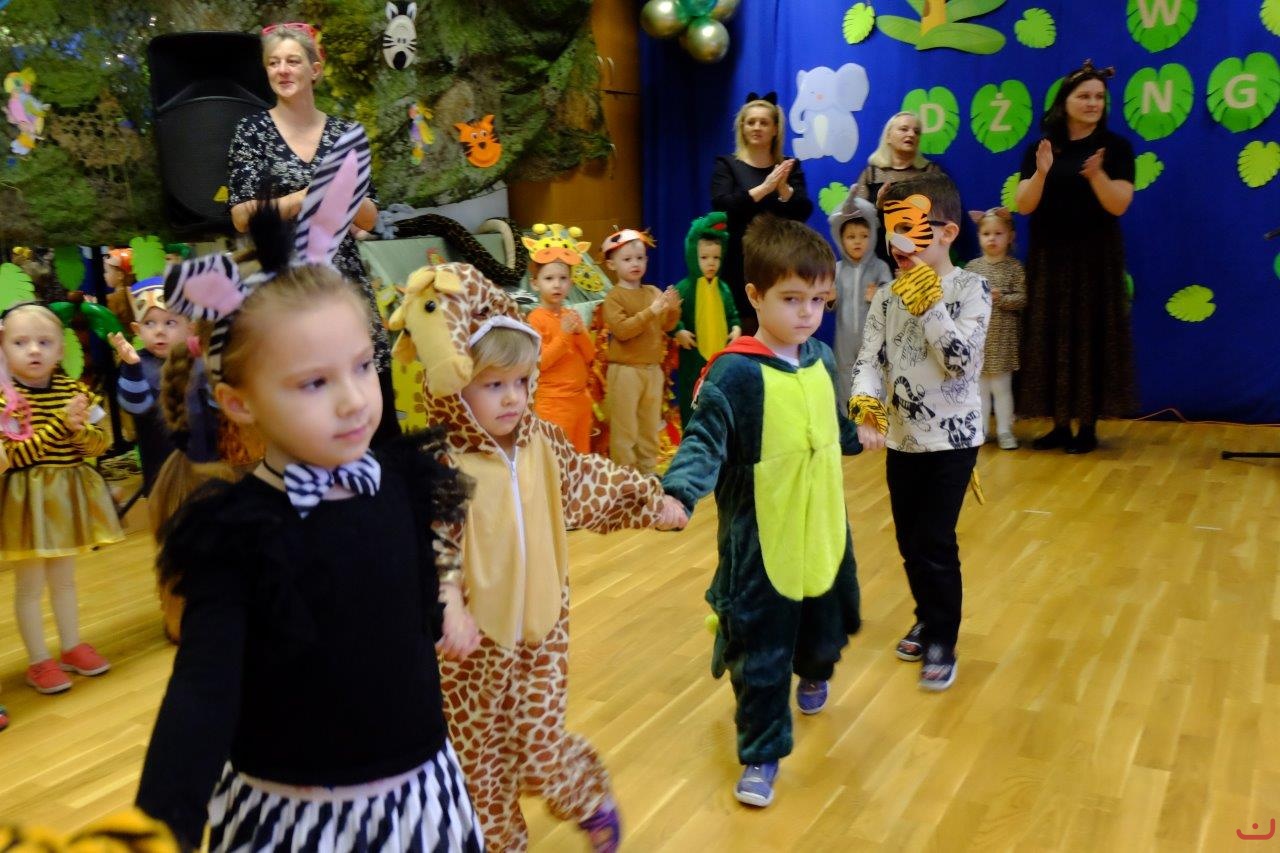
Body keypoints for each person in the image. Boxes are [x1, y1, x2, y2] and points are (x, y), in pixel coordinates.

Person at [135, 129, 483, 852]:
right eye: (314, 382)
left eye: (360, 366)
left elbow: (405, 576)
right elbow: (203, 689)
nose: (355, 399)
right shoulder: (238, 534)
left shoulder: (399, 479)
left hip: (419, 795)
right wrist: (156, 826)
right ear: (240, 403)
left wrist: (443, 601)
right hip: (292, 816)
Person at [426, 298, 687, 852]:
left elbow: (592, 483)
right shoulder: (441, 463)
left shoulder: (542, 443)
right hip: (471, 650)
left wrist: (651, 502)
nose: (512, 397)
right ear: (455, 387)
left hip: (544, 631)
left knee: (540, 748)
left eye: (521, 382)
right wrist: (447, 602)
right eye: (493, 385)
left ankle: (588, 798)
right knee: (479, 766)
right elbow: (432, 545)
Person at [662, 214, 862, 809]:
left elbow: (833, 423)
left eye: (817, 300)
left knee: (826, 625)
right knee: (762, 651)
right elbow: (703, 440)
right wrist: (679, 491)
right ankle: (761, 751)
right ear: (754, 296)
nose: (807, 314)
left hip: (823, 528)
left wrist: (861, 435)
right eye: (791, 299)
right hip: (761, 542)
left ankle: (817, 667)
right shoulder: (736, 372)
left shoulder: (820, 358)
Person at [848, 173, 990, 692]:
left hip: (953, 441)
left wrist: (929, 305)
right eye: (892, 229)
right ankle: (927, 615)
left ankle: (941, 638)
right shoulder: (886, 297)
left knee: (935, 540)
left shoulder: (972, 289)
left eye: (908, 228)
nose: (897, 241)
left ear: (947, 232)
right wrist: (866, 406)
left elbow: (960, 363)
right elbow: (870, 360)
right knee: (910, 541)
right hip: (904, 439)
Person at [226, 21, 399, 446]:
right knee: (306, 395)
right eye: (273, 63)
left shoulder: (345, 134)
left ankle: (385, 482)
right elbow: (241, 216)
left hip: (345, 281)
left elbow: (369, 219)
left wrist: (345, 190)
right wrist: (305, 197)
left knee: (371, 399)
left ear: (315, 69)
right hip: (286, 286)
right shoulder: (252, 131)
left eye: (292, 61)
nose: (282, 70)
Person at [0, 303, 123, 696]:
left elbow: (100, 442)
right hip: (26, 500)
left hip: (67, 496)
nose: (34, 350)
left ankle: (71, 646)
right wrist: (60, 425)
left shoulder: (75, 390)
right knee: (30, 585)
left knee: (64, 580)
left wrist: (78, 430)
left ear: (60, 349)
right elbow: (15, 455)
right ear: (3, 348)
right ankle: (39, 660)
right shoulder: (6, 399)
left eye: (44, 342)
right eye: (20, 342)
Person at [1015, 59, 1137, 454]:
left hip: (1095, 257)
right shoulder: (1041, 148)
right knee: (1051, 336)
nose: (1093, 103)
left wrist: (1096, 175)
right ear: (1064, 101)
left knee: (1090, 337)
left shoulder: (1116, 148)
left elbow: (1119, 204)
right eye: (1084, 96)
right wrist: (1041, 173)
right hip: (1050, 256)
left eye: (1099, 97)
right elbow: (1024, 204)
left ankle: (1086, 426)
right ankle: (1058, 424)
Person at [711, 92, 814, 333]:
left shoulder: (789, 166)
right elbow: (722, 207)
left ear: (775, 129)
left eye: (764, 122)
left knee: (780, 332)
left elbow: (803, 211)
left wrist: (783, 189)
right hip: (738, 265)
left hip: (780, 263)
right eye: (751, 122)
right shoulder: (727, 165)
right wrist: (765, 188)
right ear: (742, 127)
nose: (757, 127)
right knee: (742, 333)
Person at [600, 228, 681, 474]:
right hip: (625, 371)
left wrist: (672, 310)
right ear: (611, 265)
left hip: (652, 370)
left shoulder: (653, 292)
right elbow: (622, 331)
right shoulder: (613, 297)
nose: (635, 263)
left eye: (640, 258)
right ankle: (625, 476)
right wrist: (652, 311)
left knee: (649, 426)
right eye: (627, 259)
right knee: (625, 429)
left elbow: (666, 327)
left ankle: (647, 472)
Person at [108, 276, 190, 493]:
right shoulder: (138, 364)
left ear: (189, 327)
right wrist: (132, 367)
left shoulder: (196, 361)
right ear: (137, 329)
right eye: (149, 323)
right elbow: (134, 406)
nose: (159, 331)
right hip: (161, 467)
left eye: (169, 323)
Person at [844, 111, 946, 269]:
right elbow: (857, 222)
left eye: (916, 131)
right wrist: (878, 206)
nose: (911, 134)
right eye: (904, 129)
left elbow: (943, 214)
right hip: (879, 258)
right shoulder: (871, 174)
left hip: (921, 255)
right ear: (888, 136)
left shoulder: (931, 172)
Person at [671, 212, 741, 428]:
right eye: (704, 258)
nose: (711, 263)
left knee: (719, 394)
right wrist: (678, 330)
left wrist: (736, 327)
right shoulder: (684, 288)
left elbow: (732, 314)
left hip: (720, 357)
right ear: (693, 256)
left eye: (716, 258)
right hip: (693, 357)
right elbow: (671, 316)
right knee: (691, 396)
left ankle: (719, 429)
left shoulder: (723, 289)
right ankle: (692, 432)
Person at [965, 207, 1026, 450]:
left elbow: (1023, 298)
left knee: (1002, 388)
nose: (992, 238)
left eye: (998, 233)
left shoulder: (1014, 268)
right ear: (979, 237)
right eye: (986, 234)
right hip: (978, 341)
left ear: (1010, 237)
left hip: (1003, 339)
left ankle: (1004, 430)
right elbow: (961, 300)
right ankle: (981, 430)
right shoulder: (972, 267)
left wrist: (1002, 299)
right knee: (979, 389)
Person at [526, 257, 596, 453]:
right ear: (535, 283)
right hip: (553, 402)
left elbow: (590, 356)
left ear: (571, 283)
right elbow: (540, 362)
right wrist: (564, 334)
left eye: (563, 278)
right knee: (557, 457)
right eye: (549, 278)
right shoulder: (535, 319)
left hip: (580, 399)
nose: (557, 284)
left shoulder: (570, 315)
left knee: (580, 455)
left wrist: (580, 332)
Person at [828, 195, 892, 402]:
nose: (857, 241)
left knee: (874, 372)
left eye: (864, 236)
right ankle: (849, 416)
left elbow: (892, 300)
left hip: (873, 338)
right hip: (844, 338)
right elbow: (830, 305)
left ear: (872, 238)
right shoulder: (837, 270)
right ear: (841, 240)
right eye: (851, 237)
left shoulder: (880, 267)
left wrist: (880, 295)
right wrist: (830, 299)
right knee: (845, 374)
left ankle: (876, 414)